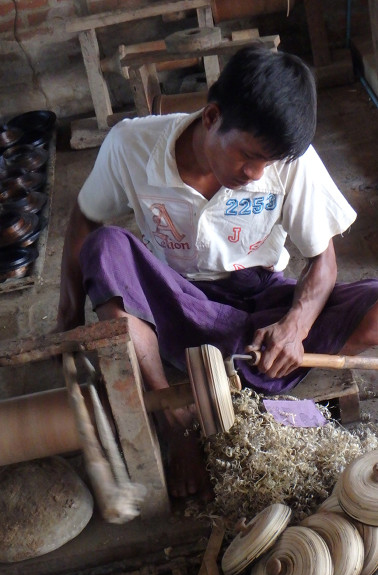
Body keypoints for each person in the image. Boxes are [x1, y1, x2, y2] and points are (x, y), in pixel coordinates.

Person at [57, 44, 378, 500]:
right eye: (247, 156)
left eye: (267, 163)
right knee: (107, 248)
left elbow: (322, 261)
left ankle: (239, 379)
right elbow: (86, 217)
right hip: (175, 302)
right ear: (211, 117)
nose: (254, 172)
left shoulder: (290, 161)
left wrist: (294, 326)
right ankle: (176, 418)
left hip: (260, 310)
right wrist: (67, 315)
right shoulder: (131, 145)